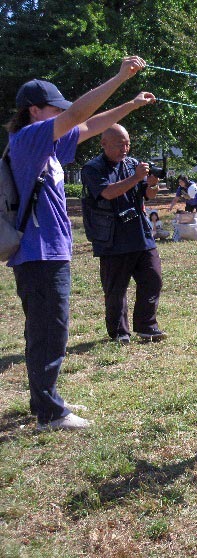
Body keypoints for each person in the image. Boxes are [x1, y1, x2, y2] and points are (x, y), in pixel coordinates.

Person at [4, 56, 154, 431]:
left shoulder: (46, 146)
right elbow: (78, 117)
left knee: (48, 328)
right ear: (34, 111)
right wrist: (119, 78)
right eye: (56, 110)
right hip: (38, 254)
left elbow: (89, 124)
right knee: (50, 330)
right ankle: (50, 414)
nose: (64, 116)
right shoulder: (27, 139)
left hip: (50, 252)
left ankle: (46, 398)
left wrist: (130, 105)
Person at [81, 124, 167, 344]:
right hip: (112, 237)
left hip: (140, 233)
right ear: (104, 144)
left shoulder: (132, 165)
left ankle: (147, 326)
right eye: (120, 144)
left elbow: (148, 195)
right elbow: (108, 193)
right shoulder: (92, 169)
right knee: (116, 289)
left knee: (153, 278)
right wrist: (137, 178)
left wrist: (152, 184)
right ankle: (119, 332)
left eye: (127, 143)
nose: (125, 149)